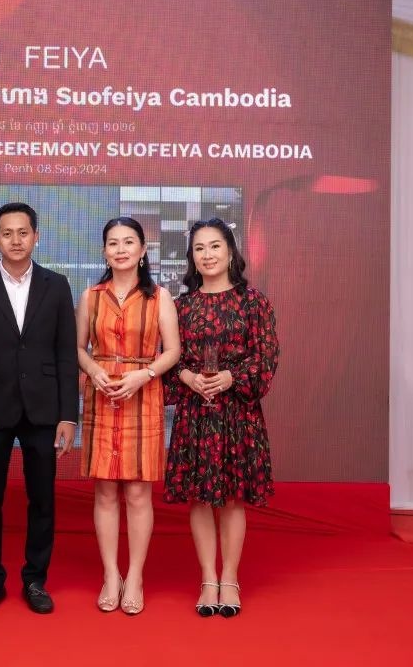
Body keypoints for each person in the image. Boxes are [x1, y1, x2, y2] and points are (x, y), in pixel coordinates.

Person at [0, 202, 79, 615]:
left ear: (36, 237)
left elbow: (66, 354)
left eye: (23, 232)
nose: (15, 240)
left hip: (44, 410)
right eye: (7, 233)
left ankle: (35, 580)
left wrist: (68, 415)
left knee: (42, 499)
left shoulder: (56, 285)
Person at [162, 217, 279, 619]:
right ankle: (207, 579)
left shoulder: (253, 302)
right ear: (191, 257)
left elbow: (266, 358)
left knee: (231, 498)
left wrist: (232, 377)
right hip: (195, 413)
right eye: (199, 248)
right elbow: (167, 360)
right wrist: (187, 377)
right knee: (199, 498)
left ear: (230, 251)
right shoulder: (180, 307)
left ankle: (229, 578)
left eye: (214, 246)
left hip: (237, 414)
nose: (207, 255)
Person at [76, 217, 180, 615]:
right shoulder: (91, 296)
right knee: (104, 491)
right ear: (104, 251)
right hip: (102, 394)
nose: (121, 249)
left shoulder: (160, 297)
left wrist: (145, 374)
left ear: (143, 250)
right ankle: (110, 574)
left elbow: (173, 351)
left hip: (142, 393)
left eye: (129, 242)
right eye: (113, 243)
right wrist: (93, 370)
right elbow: (78, 347)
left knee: (137, 493)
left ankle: (135, 575)